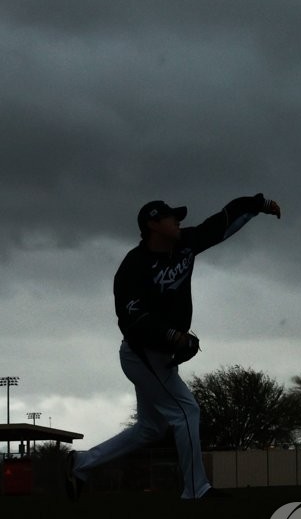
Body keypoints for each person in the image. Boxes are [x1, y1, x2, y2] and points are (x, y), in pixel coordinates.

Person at [67, 194, 281, 500]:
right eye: (171, 218)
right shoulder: (133, 267)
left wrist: (257, 204)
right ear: (153, 225)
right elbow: (131, 318)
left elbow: (219, 224)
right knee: (186, 410)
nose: (178, 221)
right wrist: (172, 336)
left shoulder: (185, 244)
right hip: (142, 356)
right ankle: (196, 489)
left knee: (151, 429)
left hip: (159, 357)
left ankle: (81, 463)